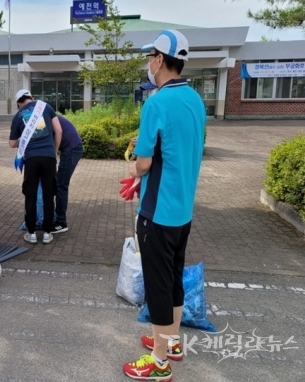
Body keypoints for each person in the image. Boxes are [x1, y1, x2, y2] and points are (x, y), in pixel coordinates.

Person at [122, 30, 206, 382]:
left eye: (150, 56)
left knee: (157, 283)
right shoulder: (195, 99)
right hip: (183, 209)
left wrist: (135, 165)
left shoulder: (156, 102)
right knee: (173, 277)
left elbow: (142, 162)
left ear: (159, 59)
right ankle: (170, 342)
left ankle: (158, 362)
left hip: (156, 211)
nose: (148, 62)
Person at [9, 89, 62, 245]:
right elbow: (58, 130)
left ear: (19, 103)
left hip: (31, 159)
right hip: (48, 157)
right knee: (48, 194)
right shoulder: (45, 106)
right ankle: (47, 233)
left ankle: (31, 233)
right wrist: (54, 150)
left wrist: (23, 139)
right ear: (32, 98)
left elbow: (12, 143)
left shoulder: (18, 115)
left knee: (30, 196)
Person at [52, 114, 83, 234]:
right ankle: (56, 215)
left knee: (61, 185)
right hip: (71, 148)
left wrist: (53, 153)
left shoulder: (44, 115)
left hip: (72, 149)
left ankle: (61, 222)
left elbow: (58, 132)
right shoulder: (46, 113)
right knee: (58, 183)